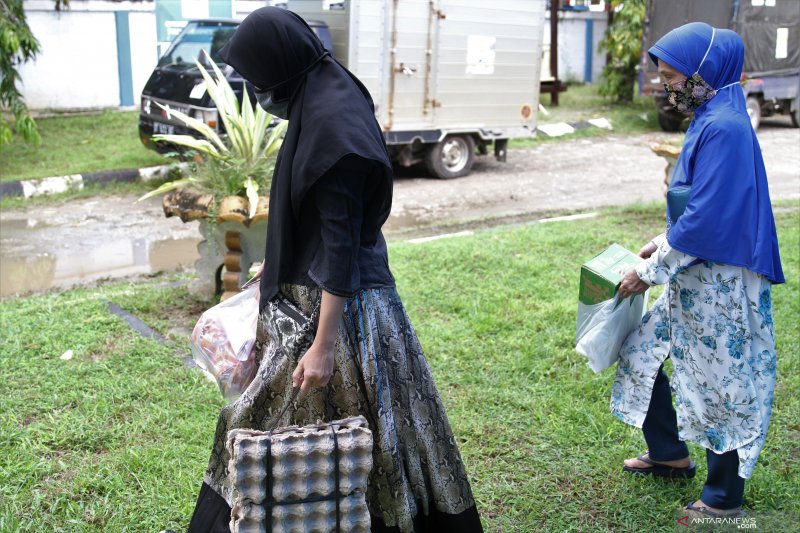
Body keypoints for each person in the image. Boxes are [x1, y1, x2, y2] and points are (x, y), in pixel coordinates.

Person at [186, 7, 483, 533]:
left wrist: (323, 346)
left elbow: (342, 244)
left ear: (281, 65)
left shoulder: (334, 128)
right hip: (317, 287)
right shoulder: (325, 88)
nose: (256, 89)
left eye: (257, 77)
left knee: (279, 419)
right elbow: (317, 220)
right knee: (289, 422)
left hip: (341, 304)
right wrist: (275, 264)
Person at [614, 22, 784, 519]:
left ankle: (725, 498)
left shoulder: (725, 127)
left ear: (703, 72)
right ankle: (670, 453)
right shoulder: (713, 114)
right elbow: (697, 207)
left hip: (720, 282)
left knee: (720, 380)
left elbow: (708, 218)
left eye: (671, 75)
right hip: (695, 273)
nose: (665, 85)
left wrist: (645, 273)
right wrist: (657, 244)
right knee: (640, 348)